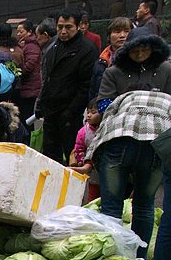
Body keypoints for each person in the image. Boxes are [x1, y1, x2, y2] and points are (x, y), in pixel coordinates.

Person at [86, 89, 169, 259]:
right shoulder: (168, 101)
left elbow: (106, 122)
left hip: (119, 139)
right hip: (156, 145)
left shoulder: (123, 98)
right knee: (145, 206)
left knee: (111, 208)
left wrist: (90, 158)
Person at [35, 9, 98, 163]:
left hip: (70, 114)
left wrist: (70, 112)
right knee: (50, 157)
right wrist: (41, 103)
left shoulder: (87, 49)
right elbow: (47, 78)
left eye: (68, 27)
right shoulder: (54, 46)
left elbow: (86, 85)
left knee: (73, 157)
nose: (63, 31)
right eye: (60, 26)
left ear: (78, 26)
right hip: (50, 111)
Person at [97, 27, 171, 100]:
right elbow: (104, 101)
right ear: (127, 51)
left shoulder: (166, 69)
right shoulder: (112, 72)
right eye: (134, 51)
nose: (140, 55)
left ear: (152, 49)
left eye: (145, 50)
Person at [89, 17, 132, 100]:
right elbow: (93, 90)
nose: (122, 35)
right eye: (117, 31)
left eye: (127, 31)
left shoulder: (139, 59)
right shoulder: (101, 61)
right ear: (109, 36)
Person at [69, 100, 102, 202]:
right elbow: (79, 148)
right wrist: (81, 161)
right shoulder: (83, 131)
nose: (89, 115)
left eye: (93, 112)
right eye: (88, 112)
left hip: (104, 165)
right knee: (93, 192)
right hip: (91, 168)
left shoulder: (106, 128)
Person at [15, 20, 42, 127]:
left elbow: (29, 65)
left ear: (30, 32)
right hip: (27, 87)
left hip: (30, 87)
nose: (18, 34)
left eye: (21, 32)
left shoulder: (32, 46)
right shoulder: (25, 45)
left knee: (26, 118)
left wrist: (18, 72)